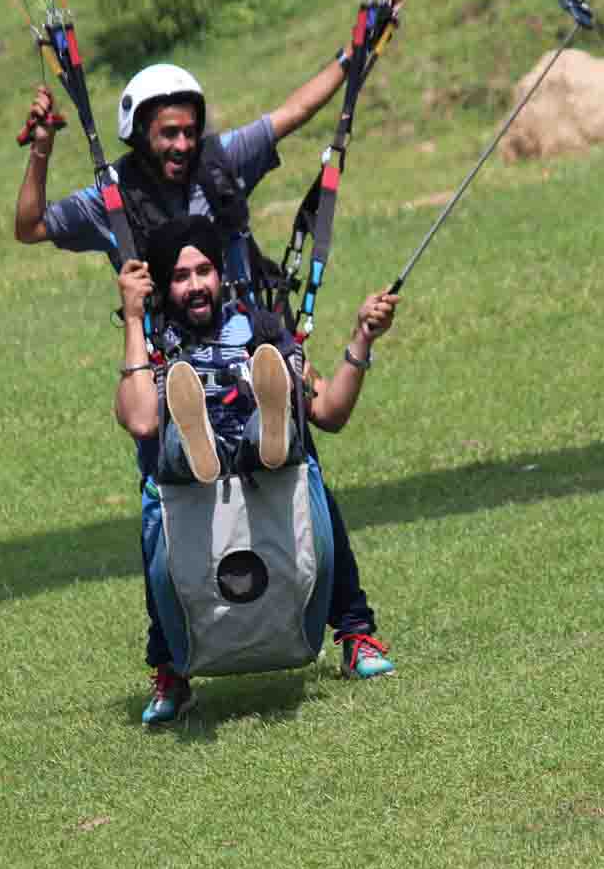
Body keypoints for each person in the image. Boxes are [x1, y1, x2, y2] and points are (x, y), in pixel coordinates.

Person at [14, 54, 398, 690]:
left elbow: (292, 114)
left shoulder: (221, 163)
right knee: (159, 504)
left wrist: (352, 57)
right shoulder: (111, 199)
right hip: (171, 363)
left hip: (247, 349)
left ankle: (350, 623)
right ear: (139, 131)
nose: (183, 144)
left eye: (190, 130)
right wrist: (43, 150)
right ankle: (171, 661)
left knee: (301, 468)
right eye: (169, 132)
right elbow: (29, 226)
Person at [116, 215, 399, 725]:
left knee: (282, 438)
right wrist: (135, 321)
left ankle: (269, 431)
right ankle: (201, 434)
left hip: (266, 473)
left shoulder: (262, 333)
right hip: (188, 486)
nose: (196, 285)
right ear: (164, 285)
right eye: (180, 276)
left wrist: (362, 339)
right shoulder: (155, 347)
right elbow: (139, 419)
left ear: (222, 274)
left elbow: (330, 413)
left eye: (204, 270)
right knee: (172, 455)